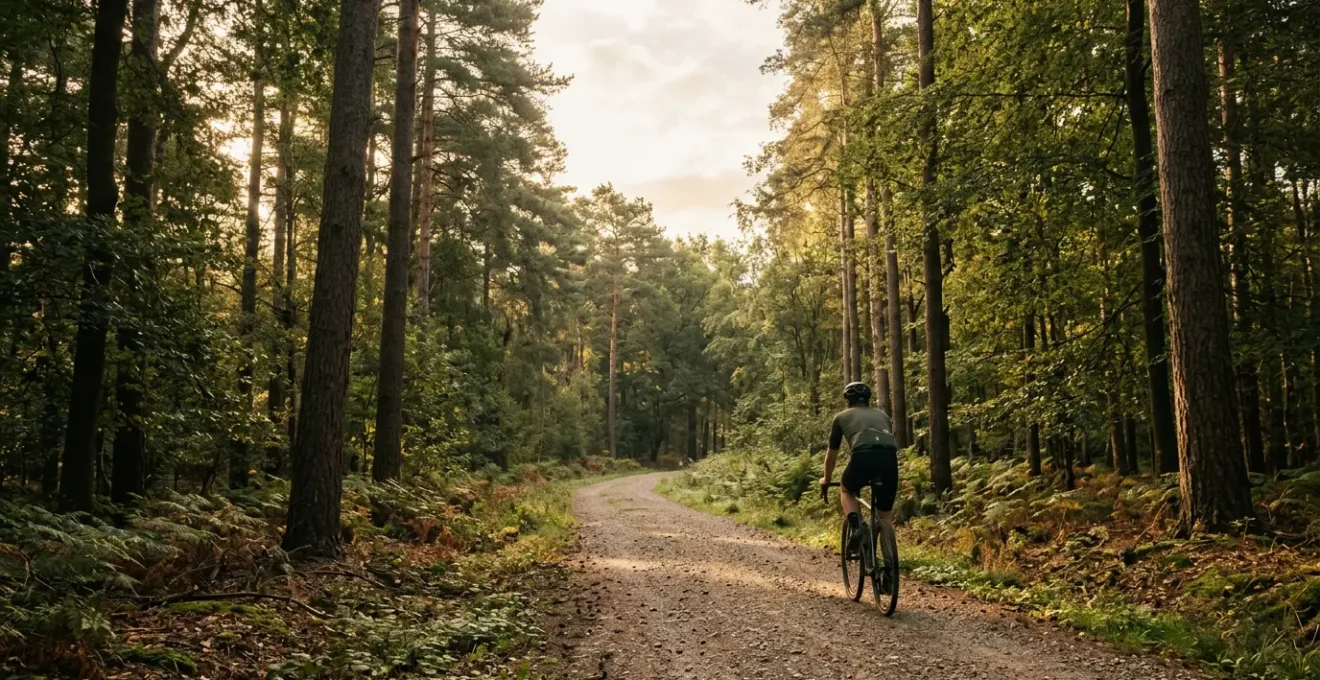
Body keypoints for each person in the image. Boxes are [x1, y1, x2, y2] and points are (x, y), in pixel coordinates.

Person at [819, 382, 899, 554]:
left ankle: (857, 528)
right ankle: (888, 569)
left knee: (847, 490)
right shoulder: (883, 415)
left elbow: (831, 455)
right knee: (884, 515)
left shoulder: (841, 417)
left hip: (862, 456)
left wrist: (826, 479)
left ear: (847, 400)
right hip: (889, 459)